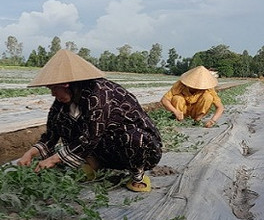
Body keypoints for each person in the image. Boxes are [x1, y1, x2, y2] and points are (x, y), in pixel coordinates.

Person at [18, 50, 163, 192]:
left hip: (141, 148)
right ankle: (94, 164)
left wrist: (53, 159)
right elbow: (52, 133)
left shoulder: (101, 94)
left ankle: (138, 175)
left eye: (54, 88)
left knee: (133, 137)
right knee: (65, 120)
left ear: (66, 84)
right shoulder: (62, 103)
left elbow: (90, 136)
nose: (52, 94)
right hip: (108, 149)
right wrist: (30, 153)